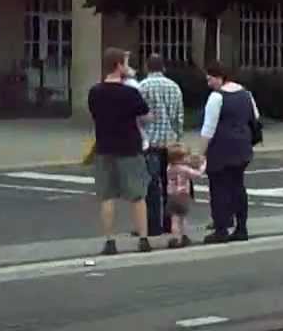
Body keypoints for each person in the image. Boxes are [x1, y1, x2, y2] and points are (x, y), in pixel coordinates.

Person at [88, 47, 154, 255]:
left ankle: (110, 241)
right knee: (137, 195)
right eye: (125, 63)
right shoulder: (130, 92)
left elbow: (95, 115)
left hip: (104, 147)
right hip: (129, 147)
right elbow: (146, 116)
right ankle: (143, 239)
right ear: (118, 66)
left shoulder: (95, 92)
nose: (128, 67)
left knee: (107, 196)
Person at [194, 60, 258, 244]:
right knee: (238, 187)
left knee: (219, 188)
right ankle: (241, 227)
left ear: (219, 77)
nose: (209, 84)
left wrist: (200, 153)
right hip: (242, 146)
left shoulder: (217, 97)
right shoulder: (246, 94)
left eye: (210, 80)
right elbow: (255, 118)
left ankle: (221, 229)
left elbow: (208, 128)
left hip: (221, 148)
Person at [139, 54, 183, 237]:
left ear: (146, 67)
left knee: (151, 185)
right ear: (163, 67)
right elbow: (179, 117)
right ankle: (168, 223)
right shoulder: (174, 87)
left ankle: (152, 226)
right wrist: (178, 138)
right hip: (170, 142)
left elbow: (139, 115)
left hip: (151, 142)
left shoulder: (142, 87)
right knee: (170, 185)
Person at [164, 144, 205, 248]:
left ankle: (175, 237)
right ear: (181, 158)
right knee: (183, 218)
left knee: (174, 218)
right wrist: (203, 165)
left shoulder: (169, 168)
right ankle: (183, 236)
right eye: (186, 156)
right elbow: (197, 174)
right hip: (183, 196)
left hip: (172, 196)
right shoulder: (184, 169)